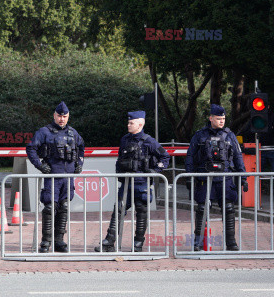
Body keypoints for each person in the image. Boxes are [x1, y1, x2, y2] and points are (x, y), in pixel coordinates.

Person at [95, 110, 170, 252]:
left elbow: (165, 157)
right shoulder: (125, 139)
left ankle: (138, 244)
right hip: (127, 183)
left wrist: (155, 171)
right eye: (128, 122)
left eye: (131, 123)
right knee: (118, 211)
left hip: (142, 183)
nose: (128, 125)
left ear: (140, 124)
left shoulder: (150, 141)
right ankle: (109, 242)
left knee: (141, 213)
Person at [185, 104, 247, 251]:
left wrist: (243, 176)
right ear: (211, 118)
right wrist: (188, 176)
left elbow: (238, 157)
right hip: (204, 179)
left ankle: (231, 242)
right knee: (202, 209)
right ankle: (198, 242)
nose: (222, 121)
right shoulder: (200, 135)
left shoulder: (230, 135)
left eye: (224, 118)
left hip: (224, 178)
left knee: (229, 209)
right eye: (219, 118)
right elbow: (190, 156)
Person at [26, 101, 85, 253]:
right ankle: (46, 241)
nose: (62, 119)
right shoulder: (44, 132)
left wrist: (79, 164)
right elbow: (31, 148)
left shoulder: (73, 133)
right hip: (52, 176)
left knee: (64, 208)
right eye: (59, 116)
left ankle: (59, 241)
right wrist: (39, 165)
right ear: (54, 115)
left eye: (64, 116)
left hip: (68, 176)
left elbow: (81, 148)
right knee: (50, 208)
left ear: (68, 117)